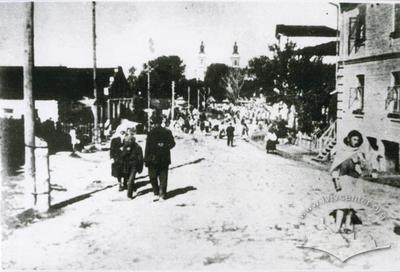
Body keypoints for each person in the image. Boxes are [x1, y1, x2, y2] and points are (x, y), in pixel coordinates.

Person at [329, 130, 366, 233]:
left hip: (354, 181)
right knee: (341, 204)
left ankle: (348, 225)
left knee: (351, 205)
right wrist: (336, 180)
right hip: (343, 179)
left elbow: (361, 170)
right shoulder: (341, 151)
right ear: (349, 139)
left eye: (358, 140)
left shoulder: (358, 153)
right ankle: (337, 226)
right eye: (354, 139)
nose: (356, 142)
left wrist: (357, 163)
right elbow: (335, 168)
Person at [144, 116, 176, 201]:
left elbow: (147, 148)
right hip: (164, 158)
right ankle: (162, 194)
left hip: (152, 159)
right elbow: (172, 144)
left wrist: (146, 159)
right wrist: (165, 146)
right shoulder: (167, 132)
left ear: (153, 123)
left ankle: (156, 192)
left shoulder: (150, 133)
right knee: (163, 177)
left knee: (152, 177)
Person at [121, 129, 144, 199]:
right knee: (129, 179)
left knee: (131, 179)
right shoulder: (126, 146)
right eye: (128, 140)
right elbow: (122, 156)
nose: (129, 142)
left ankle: (129, 195)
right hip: (127, 165)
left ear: (133, 141)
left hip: (134, 165)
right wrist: (126, 152)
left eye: (131, 140)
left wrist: (140, 168)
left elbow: (140, 158)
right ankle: (132, 188)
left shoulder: (138, 147)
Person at [110, 127, 126, 191]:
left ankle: (125, 183)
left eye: (123, 131)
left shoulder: (127, 139)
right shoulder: (114, 139)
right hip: (117, 158)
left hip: (125, 158)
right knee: (118, 171)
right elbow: (112, 149)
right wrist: (111, 157)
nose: (122, 132)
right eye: (121, 131)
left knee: (125, 170)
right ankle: (119, 183)